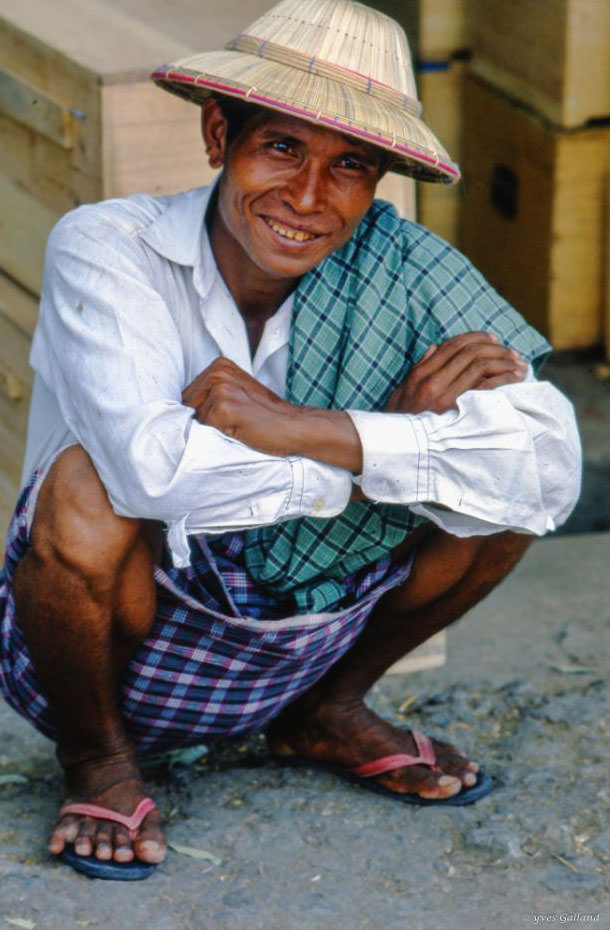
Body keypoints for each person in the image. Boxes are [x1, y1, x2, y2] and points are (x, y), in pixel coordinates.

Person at [0, 0, 580, 880]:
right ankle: (99, 761)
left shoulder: (403, 268)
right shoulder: (111, 248)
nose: (308, 198)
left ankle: (324, 711)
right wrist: (377, 457)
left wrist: (310, 430)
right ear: (217, 134)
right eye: (280, 149)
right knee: (84, 488)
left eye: (348, 167)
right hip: (124, 636)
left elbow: (550, 470)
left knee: (500, 498)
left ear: (379, 181)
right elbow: (150, 473)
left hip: (305, 635)